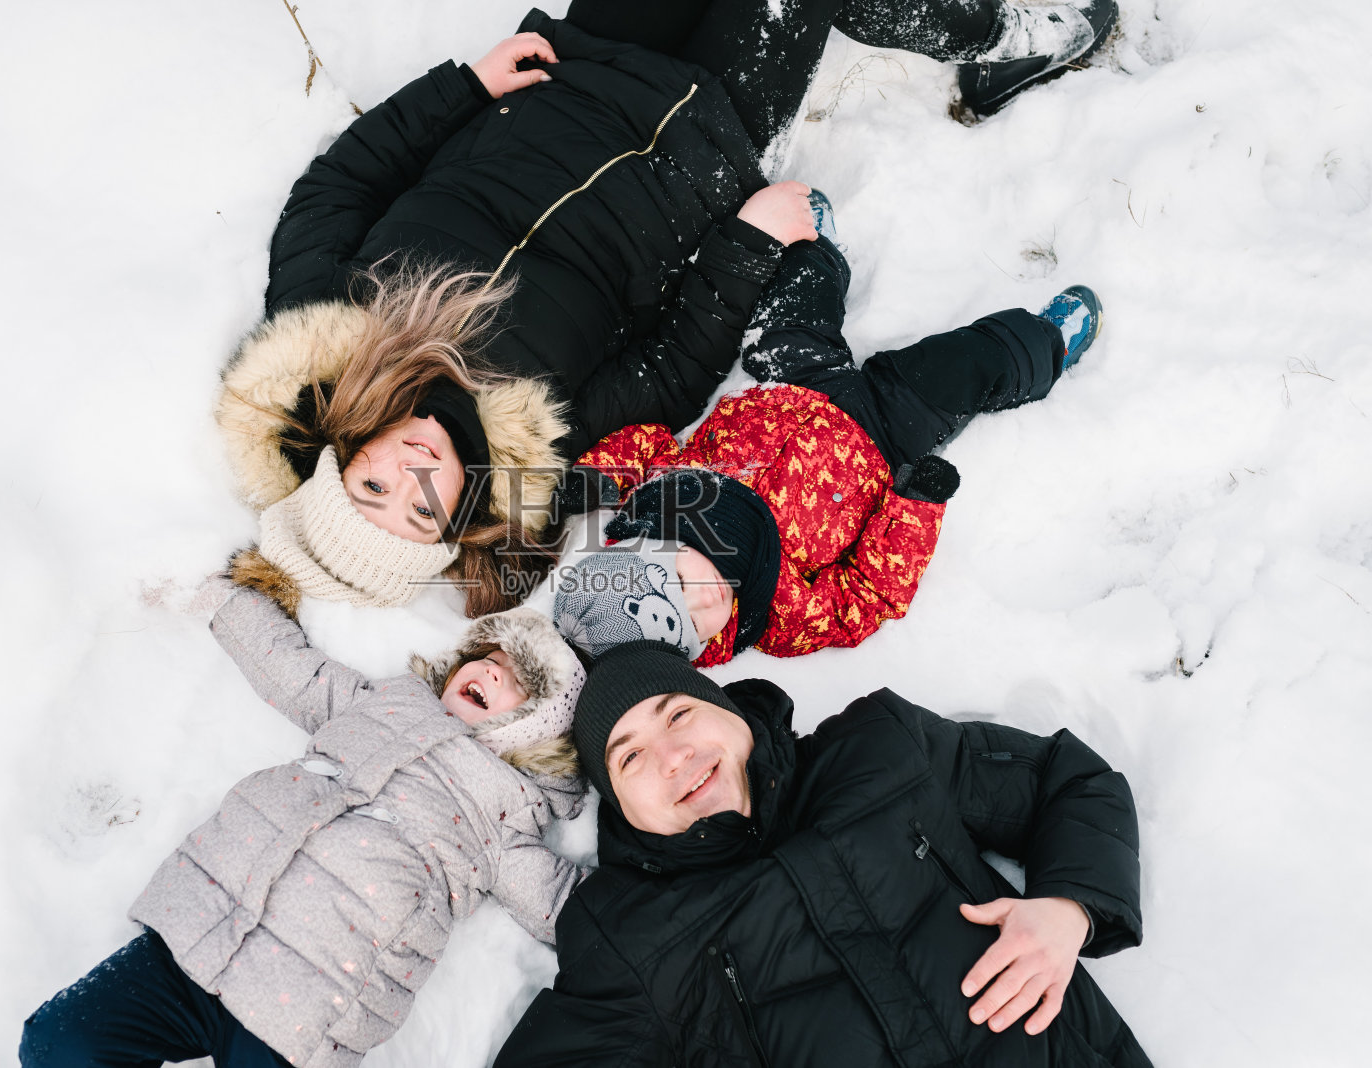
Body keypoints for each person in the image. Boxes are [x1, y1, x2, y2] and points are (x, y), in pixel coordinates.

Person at [218, 0, 1115, 617]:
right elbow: (672, 371)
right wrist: (750, 243)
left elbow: (342, 183)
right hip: (699, 142)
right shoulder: (537, 449)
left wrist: (464, 87)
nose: (412, 470)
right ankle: (1004, 38)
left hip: (572, 73)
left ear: (344, 449)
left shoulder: (318, 324)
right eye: (419, 510)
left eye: (373, 484)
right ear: (456, 521)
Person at [494, 641, 1150, 1066]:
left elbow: (1063, 780)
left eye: (678, 715)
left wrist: (1071, 908)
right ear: (620, 807)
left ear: (729, 712)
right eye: (630, 756)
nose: (674, 758)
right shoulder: (632, 938)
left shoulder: (879, 753)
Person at [20, 588, 587, 1067]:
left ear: (535, 729)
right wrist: (219, 595)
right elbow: (294, 671)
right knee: (59, 1041)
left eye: (518, 679)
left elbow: (570, 907)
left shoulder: (507, 817)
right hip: (200, 934)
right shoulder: (377, 705)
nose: (490, 668)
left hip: (304, 1014)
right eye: (488, 655)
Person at [552, 205, 1103, 664]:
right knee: (963, 367)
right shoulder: (775, 614)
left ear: (648, 548)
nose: (706, 605)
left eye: (680, 588)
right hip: (880, 434)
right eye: (692, 629)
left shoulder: (660, 500)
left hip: (789, 383)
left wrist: (596, 478)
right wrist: (915, 506)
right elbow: (865, 597)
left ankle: (819, 252)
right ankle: (1043, 345)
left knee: (793, 305)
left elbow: (647, 445)